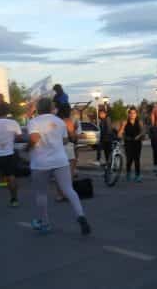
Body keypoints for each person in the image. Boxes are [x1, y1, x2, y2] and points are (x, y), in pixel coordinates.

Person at [27, 98, 91, 235]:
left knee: (41, 193)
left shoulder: (34, 122)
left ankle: (45, 223)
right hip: (60, 160)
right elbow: (65, 140)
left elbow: (34, 138)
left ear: (38, 109)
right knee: (69, 190)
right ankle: (81, 215)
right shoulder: (59, 121)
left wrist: (27, 147)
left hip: (41, 162)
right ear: (51, 108)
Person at [56, 104, 78, 202]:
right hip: (67, 147)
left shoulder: (55, 120)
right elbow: (72, 136)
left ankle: (59, 194)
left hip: (57, 148)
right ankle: (67, 194)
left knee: (59, 173)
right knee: (69, 173)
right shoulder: (68, 121)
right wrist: (75, 130)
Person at [119, 107, 145, 182]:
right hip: (128, 142)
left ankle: (137, 175)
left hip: (137, 142)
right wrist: (123, 126)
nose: (132, 115)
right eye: (131, 113)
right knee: (129, 159)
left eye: (134, 113)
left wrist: (139, 136)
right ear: (128, 114)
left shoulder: (139, 122)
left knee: (137, 159)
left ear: (136, 114)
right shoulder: (125, 122)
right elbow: (119, 134)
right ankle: (128, 174)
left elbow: (143, 131)